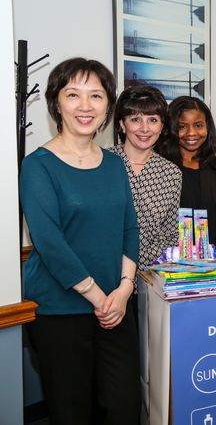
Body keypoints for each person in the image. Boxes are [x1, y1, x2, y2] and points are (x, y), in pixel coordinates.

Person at [20, 58, 140, 424]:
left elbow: (129, 229)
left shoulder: (114, 163)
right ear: (57, 103)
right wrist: (99, 297)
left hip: (116, 307)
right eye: (73, 95)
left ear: (108, 106)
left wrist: (124, 288)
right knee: (72, 411)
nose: (85, 106)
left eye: (96, 96)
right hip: (61, 309)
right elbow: (50, 242)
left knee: (123, 407)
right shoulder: (38, 165)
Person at [110, 85, 182, 267]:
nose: (145, 128)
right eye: (135, 119)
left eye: (152, 120)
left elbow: (171, 233)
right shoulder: (102, 163)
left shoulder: (171, 173)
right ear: (121, 124)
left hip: (152, 275)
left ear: (162, 126)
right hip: (107, 271)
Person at [157, 96, 216, 248]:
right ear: (171, 129)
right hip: (170, 262)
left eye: (198, 125)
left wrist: (215, 260)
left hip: (213, 263)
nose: (191, 133)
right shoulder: (161, 168)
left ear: (207, 127)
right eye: (182, 126)